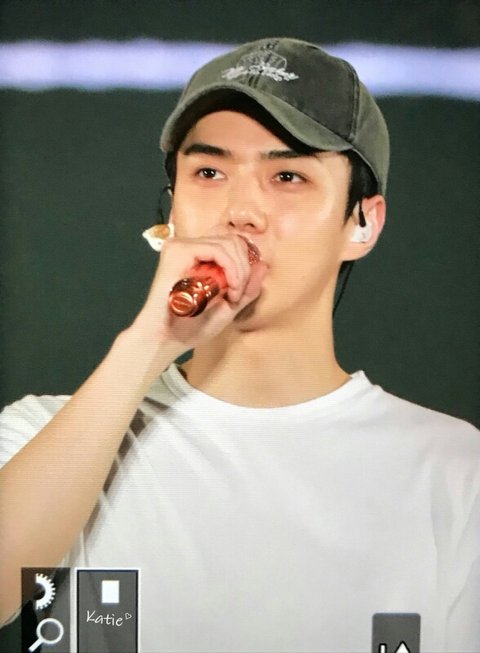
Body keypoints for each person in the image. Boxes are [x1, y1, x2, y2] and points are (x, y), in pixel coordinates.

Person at [0, 37, 479, 653]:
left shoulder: (453, 470)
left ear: (363, 222)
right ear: (171, 211)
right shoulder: (40, 436)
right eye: (209, 172)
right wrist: (149, 342)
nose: (241, 210)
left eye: (287, 176)